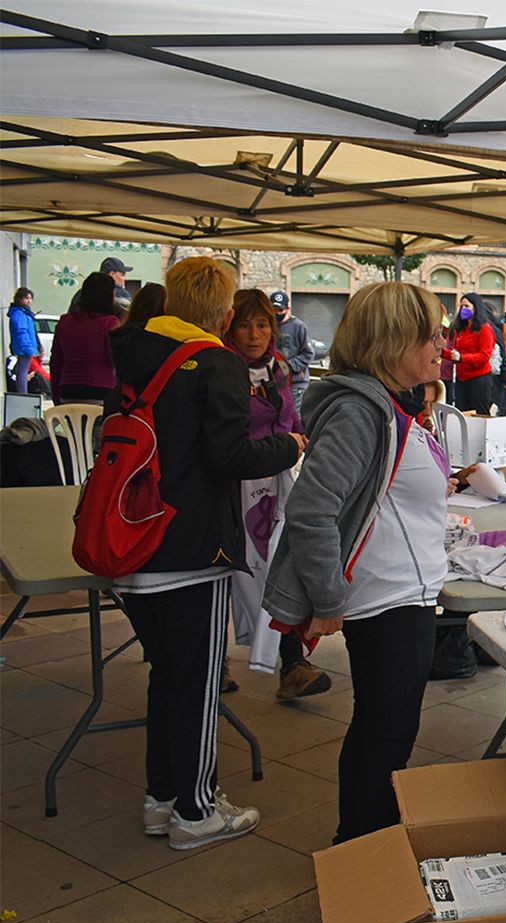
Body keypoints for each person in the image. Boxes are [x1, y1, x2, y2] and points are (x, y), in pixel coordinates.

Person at [108, 257, 304, 850]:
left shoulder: (137, 353)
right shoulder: (212, 363)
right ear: (221, 314)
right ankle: (195, 812)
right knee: (197, 683)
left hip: (135, 539)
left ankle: (160, 798)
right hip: (192, 545)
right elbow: (229, 455)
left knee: (166, 676)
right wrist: (285, 446)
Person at [264, 281, 450, 844]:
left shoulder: (391, 402)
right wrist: (327, 599)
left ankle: (358, 846)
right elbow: (312, 510)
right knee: (387, 735)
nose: (443, 344)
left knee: (377, 729)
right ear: (392, 342)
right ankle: (367, 852)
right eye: (431, 334)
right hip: (385, 599)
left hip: (401, 592)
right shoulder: (360, 410)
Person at [221, 288, 331, 702]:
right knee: (228, 573)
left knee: (284, 566)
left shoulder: (277, 369)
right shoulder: (220, 368)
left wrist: (303, 439)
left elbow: (290, 416)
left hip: (277, 480)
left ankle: (292, 665)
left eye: (262, 324)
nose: (253, 334)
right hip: (232, 485)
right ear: (230, 326)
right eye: (245, 325)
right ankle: (216, 663)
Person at [51, 271, 120, 404]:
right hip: (102, 391)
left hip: (67, 391)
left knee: (73, 425)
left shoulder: (64, 322)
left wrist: (56, 396)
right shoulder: (110, 323)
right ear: (108, 295)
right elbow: (115, 361)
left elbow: (56, 362)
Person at [444, 294, 496, 413]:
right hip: (461, 379)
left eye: (467, 306)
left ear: (476, 307)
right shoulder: (461, 329)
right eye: (461, 306)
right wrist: (441, 352)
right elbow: (455, 354)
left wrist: (462, 358)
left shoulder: (484, 329)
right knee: (461, 414)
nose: (463, 309)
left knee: (480, 414)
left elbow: (484, 356)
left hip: (479, 379)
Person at [270, 290, 315, 416]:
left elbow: (308, 353)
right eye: (273, 309)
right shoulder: (269, 326)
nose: (276, 313)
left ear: (288, 308)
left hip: (296, 384)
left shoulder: (299, 326)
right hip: (276, 383)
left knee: (295, 417)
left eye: (280, 310)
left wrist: (287, 366)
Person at [7, 287, 40, 394]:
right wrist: (28, 348)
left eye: (30, 298)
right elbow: (22, 332)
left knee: (23, 371)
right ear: (19, 299)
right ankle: (23, 393)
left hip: (25, 347)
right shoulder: (19, 314)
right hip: (23, 348)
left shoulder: (24, 312)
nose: (29, 301)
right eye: (26, 298)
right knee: (22, 372)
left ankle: (23, 392)